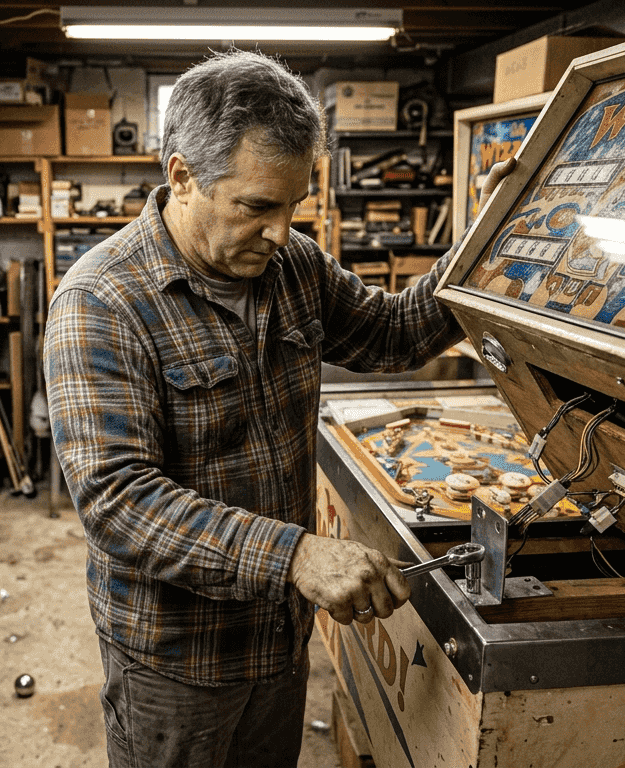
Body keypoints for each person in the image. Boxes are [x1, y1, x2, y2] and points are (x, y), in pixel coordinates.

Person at [45, 49, 512, 767]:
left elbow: (395, 333)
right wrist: (295, 554)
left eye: (294, 205)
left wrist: (486, 242)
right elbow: (118, 503)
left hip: (276, 637)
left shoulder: (291, 266)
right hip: (177, 662)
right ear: (181, 176)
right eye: (258, 206)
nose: (280, 231)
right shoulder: (100, 302)